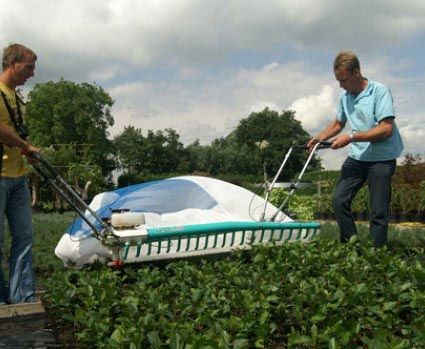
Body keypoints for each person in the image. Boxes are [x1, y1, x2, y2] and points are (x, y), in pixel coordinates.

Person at [308, 51, 404, 247]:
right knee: (339, 200)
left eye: (343, 79)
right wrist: (319, 138)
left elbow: (386, 129)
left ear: (357, 73)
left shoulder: (379, 91)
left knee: (378, 209)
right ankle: (351, 246)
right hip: (358, 156)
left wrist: (351, 137)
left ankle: (377, 254)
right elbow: (338, 123)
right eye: (338, 80)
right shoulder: (345, 97)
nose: (340, 85)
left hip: (381, 158)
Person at [0, 43, 40, 305]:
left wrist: (26, 150)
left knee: (24, 238)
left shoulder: (17, 97)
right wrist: (25, 145)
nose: (32, 74)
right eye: (29, 67)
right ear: (12, 64)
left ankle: (23, 300)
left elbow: (14, 133)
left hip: (18, 177)